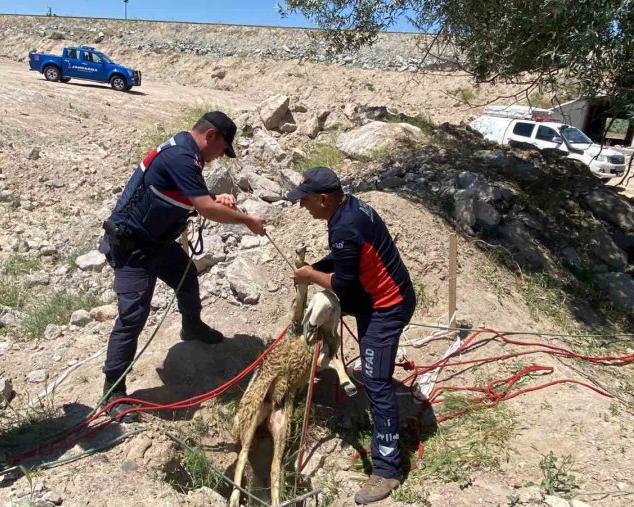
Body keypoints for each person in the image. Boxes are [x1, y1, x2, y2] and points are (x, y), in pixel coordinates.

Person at [99, 111, 266, 419]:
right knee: (133, 314)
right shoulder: (181, 156)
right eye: (222, 150)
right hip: (132, 246)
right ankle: (113, 391)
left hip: (157, 242)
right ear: (211, 136)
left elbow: (190, 195)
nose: (220, 158)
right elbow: (204, 208)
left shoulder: (187, 154)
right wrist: (246, 220)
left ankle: (191, 326)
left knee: (187, 276)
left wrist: (216, 197)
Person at [287, 166, 415, 504]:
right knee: (374, 374)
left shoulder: (345, 226)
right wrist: (317, 267)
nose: (304, 207)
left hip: (387, 306)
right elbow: (346, 262)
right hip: (374, 300)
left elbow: (344, 283)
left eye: (306, 201)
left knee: (376, 380)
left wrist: (312, 274)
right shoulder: (348, 210)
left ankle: (388, 469)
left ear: (324, 198)